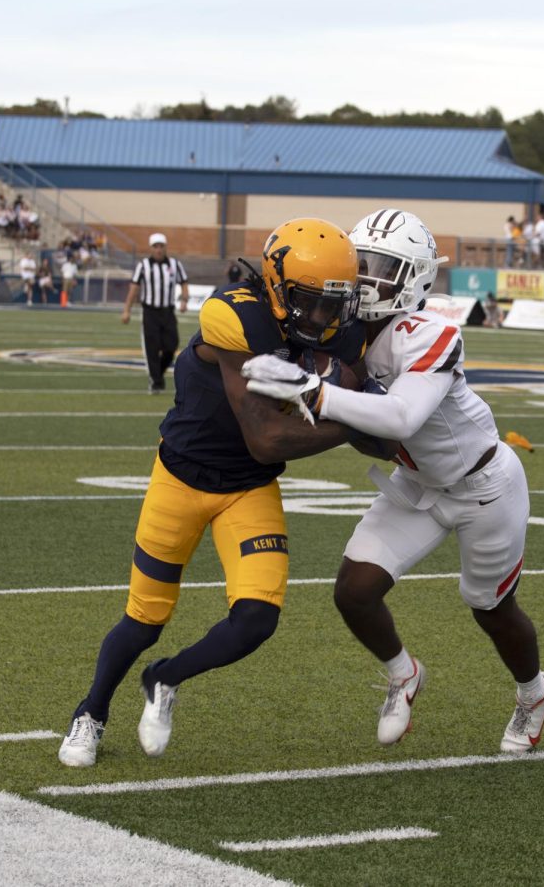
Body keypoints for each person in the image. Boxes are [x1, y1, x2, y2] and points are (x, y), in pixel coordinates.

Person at [244, 209, 544, 754]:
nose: (364, 277)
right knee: (354, 592)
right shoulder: (341, 329)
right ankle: (402, 673)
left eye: (379, 267)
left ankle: (534, 692)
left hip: (484, 486)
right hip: (416, 484)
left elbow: (400, 419)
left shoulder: (429, 332)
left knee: (490, 607)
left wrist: (311, 392)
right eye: (359, 263)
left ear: (414, 278)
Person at [58, 218, 371, 768]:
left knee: (257, 618)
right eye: (310, 301)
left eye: (333, 303)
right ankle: (91, 712)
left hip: (247, 490)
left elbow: (379, 381)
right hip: (182, 478)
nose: (322, 317)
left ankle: (165, 679)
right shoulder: (233, 313)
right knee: (143, 620)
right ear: (275, 284)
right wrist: (361, 423)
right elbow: (266, 437)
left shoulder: (340, 330)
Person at [122, 234, 190, 394]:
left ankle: (157, 374)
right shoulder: (143, 265)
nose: (159, 250)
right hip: (150, 312)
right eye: (155, 246)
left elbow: (184, 282)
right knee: (152, 348)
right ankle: (156, 382)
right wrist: (127, 310)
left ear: (165, 247)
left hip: (168, 311)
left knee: (171, 345)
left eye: (161, 246)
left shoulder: (175, 264)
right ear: (151, 248)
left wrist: (184, 300)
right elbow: (134, 288)